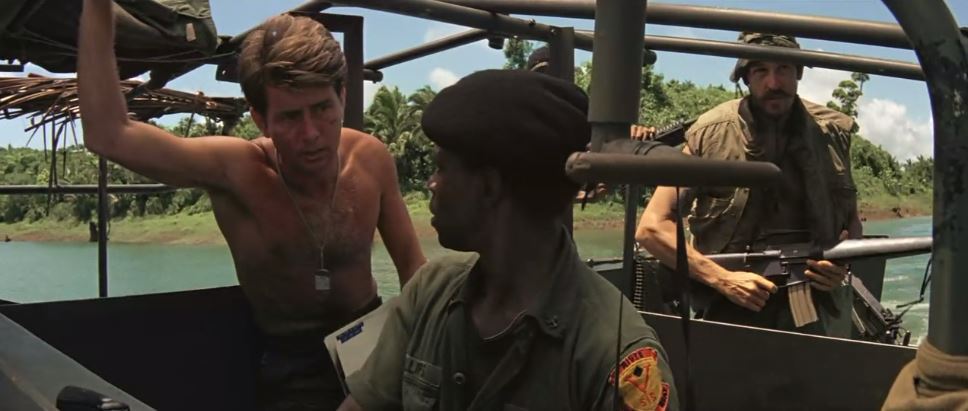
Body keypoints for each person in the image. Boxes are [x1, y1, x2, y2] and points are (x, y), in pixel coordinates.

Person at [77, 2, 426, 410]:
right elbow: (108, 134)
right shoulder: (237, 171)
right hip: (292, 361)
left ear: (342, 97)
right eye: (290, 117)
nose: (311, 133)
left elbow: (413, 268)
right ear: (261, 120)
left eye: (322, 109)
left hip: (373, 341)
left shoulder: (370, 158)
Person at [338, 70, 678, 411]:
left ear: (489, 187)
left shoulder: (616, 355)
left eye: (442, 168)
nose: (432, 184)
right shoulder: (431, 291)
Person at [635, 32, 862, 337]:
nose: (773, 83)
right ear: (745, 78)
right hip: (730, 303)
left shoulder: (831, 134)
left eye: (783, 68)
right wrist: (723, 280)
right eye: (760, 71)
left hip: (817, 304)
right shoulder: (712, 134)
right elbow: (651, 229)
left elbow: (852, 221)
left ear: (798, 73)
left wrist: (840, 265)